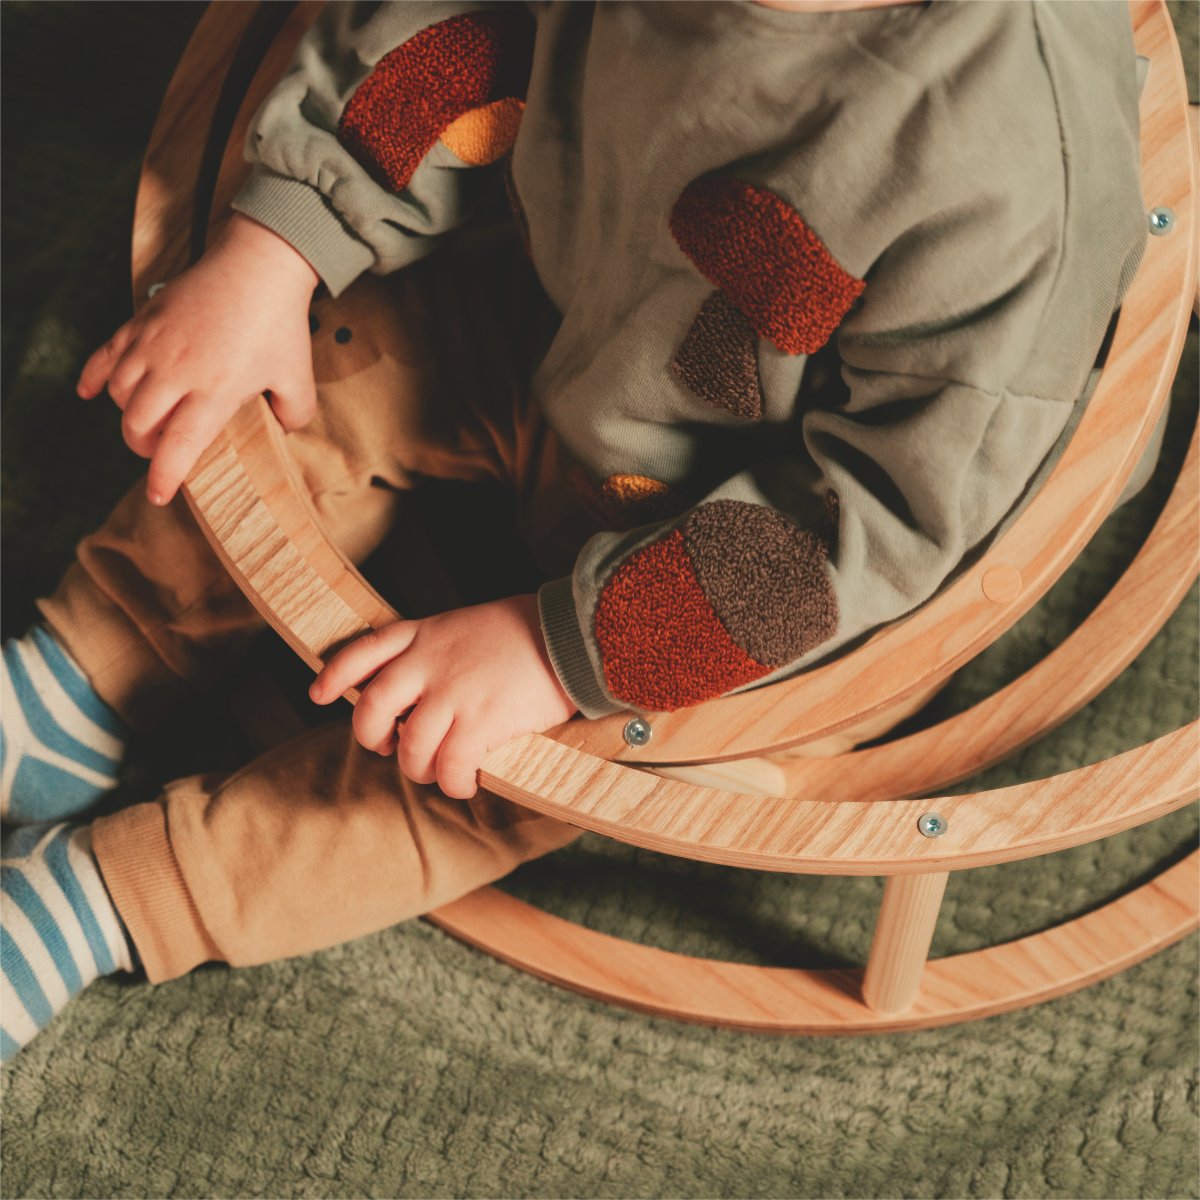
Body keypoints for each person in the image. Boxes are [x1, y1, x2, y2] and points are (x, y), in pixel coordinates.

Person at [0, 0, 1150, 1062]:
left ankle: (114, 895)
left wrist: (561, 652)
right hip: (551, 305)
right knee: (306, 380)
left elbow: (879, 519)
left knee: (484, 765)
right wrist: (279, 245)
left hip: (734, 545)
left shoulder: (1007, 165)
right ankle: (85, 680)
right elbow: (452, 30)